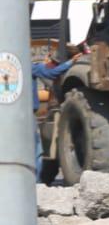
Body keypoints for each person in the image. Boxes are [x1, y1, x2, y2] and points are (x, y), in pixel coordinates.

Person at [32, 52, 79, 181]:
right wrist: (70, 62)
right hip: (30, 114)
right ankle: (36, 182)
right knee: (36, 151)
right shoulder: (35, 67)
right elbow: (52, 74)